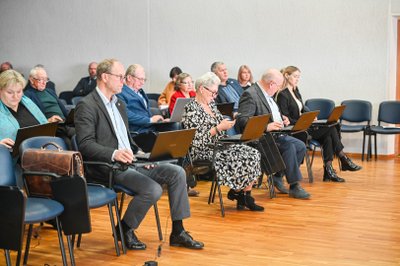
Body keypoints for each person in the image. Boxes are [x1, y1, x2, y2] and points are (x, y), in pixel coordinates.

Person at [75, 58, 203, 250]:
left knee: (177, 172)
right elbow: (85, 145)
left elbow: (125, 139)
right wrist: (114, 153)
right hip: (108, 166)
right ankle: (124, 229)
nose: (122, 81)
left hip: (131, 161)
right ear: (104, 77)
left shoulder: (118, 104)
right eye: (119, 77)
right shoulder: (87, 105)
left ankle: (178, 231)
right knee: (153, 189)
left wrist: (143, 155)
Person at [182, 72, 264, 211]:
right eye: (213, 92)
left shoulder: (212, 105)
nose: (215, 96)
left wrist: (228, 123)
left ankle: (243, 194)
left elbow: (220, 124)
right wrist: (218, 128)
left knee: (252, 152)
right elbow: (195, 140)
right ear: (202, 89)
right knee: (240, 157)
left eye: (216, 93)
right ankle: (240, 194)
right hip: (204, 150)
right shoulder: (191, 109)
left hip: (220, 145)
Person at [276, 66, 362, 182]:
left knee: (328, 136)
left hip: (305, 125)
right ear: (287, 76)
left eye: (299, 77)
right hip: (296, 130)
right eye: (295, 76)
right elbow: (286, 119)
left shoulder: (296, 91)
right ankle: (341, 159)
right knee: (331, 129)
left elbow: (301, 110)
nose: (297, 79)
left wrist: (310, 116)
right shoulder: (282, 95)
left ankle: (330, 170)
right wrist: (305, 120)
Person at [236, 68, 311, 199]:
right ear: (271, 84)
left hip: (275, 135)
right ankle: (294, 186)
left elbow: (271, 113)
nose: (279, 89)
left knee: (300, 146)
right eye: (278, 86)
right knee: (289, 147)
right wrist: (266, 126)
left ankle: (278, 176)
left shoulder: (266, 94)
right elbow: (242, 121)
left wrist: (282, 118)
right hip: (260, 138)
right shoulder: (251, 94)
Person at [24, 65, 75, 147]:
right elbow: (32, 119)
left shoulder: (50, 91)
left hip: (64, 123)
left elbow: (63, 109)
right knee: (70, 140)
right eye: (40, 79)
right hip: (51, 126)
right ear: (31, 79)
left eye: (46, 79)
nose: (44, 83)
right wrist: (48, 120)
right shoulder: (27, 95)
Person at [0, 69, 48, 149]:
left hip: (40, 151)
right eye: (10, 92)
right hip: (13, 157)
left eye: (19, 92)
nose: (15, 96)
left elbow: (45, 125)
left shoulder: (27, 102)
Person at [116, 64, 166, 134]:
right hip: (138, 132)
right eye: (140, 79)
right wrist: (150, 120)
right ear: (129, 78)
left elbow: (145, 113)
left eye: (144, 79)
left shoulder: (140, 92)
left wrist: (160, 121)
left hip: (150, 128)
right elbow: (127, 115)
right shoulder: (121, 93)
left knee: (175, 129)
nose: (142, 83)